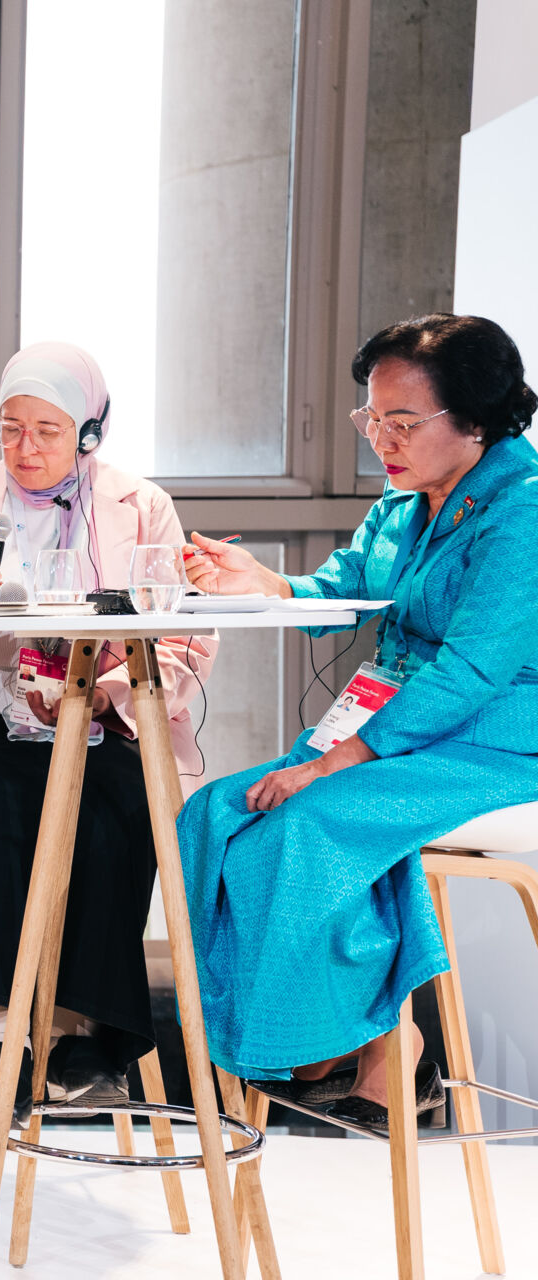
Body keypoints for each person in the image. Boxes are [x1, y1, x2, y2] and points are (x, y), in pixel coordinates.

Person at [179, 313, 538, 1131]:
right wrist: (266, 582)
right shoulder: (403, 497)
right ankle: (357, 1049)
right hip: (402, 731)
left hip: (496, 739)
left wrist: (334, 760)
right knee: (214, 812)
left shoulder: (526, 513)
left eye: (403, 422)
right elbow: (342, 591)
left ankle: (342, 1050)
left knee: (305, 818)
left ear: (477, 418)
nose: (383, 439)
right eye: (371, 418)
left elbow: (470, 672)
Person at [0, 342, 215, 1121]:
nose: (24, 448)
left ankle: (84, 1039)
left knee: (116, 801)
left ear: (90, 432)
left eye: (46, 431)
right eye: (9, 428)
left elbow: (188, 640)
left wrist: (103, 693)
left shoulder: (142, 506)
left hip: (101, 713)